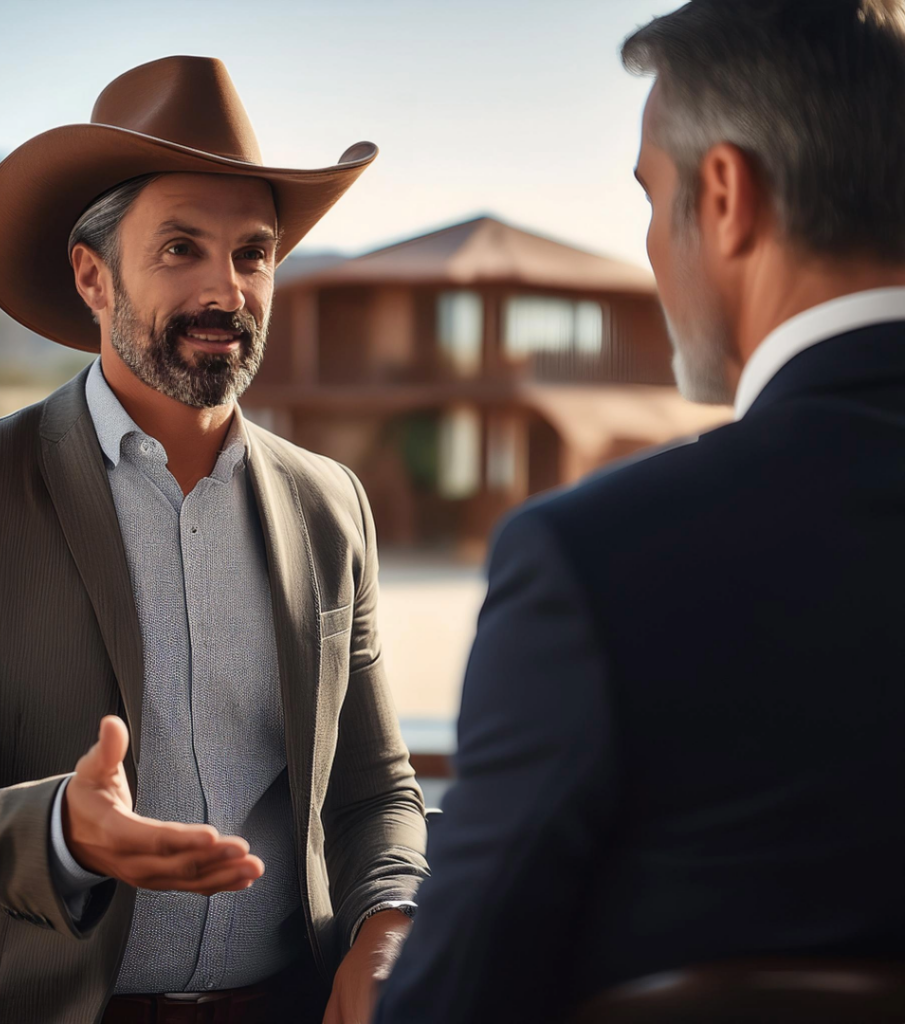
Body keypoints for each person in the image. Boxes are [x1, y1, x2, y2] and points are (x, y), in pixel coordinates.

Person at [375, 1, 905, 1020]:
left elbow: (451, 998)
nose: (650, 252)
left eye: (649, 196)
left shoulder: (594, 563)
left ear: (723, 195)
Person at [0, 56, 428, 1024]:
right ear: (93, 275)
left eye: (253, 253)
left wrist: (389, 919)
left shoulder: (329, 503)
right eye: (181, 248)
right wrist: (58, 831)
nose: (227, 289)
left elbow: (374, 787)